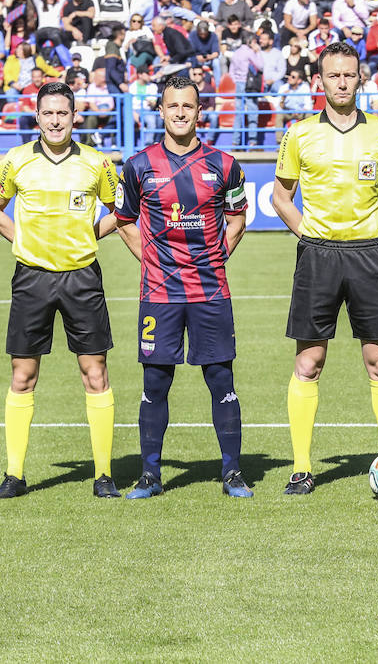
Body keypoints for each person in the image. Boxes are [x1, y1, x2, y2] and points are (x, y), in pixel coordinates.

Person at [270, 42, 378, 495]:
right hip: (318, 256)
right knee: (309, 362)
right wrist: (307, 233)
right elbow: (280, 196)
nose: (341, 82)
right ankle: (301, 468)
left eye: (349, 75)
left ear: (360, 78)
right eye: (333, 75)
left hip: (370, 255)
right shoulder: (299, 134)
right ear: (319, 81)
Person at [103, 75, 253, 500]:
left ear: (199, 111)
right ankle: (150, 475)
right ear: (161, 110)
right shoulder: (138, 166)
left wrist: (215, 259)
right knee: (155, 384)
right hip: (160, 294)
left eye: (188, 105)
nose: (181, 113)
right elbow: (124, 221)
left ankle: (232, 472)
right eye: (173, 105)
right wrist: (152, 262)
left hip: (210, 292)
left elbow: (238, 219)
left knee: (221, 381)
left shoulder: (225, 165)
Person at [0, 81, 122, 500]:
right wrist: (22, 240)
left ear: (75, 116)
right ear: (37, 117)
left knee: (95, 372)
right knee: (22, 375)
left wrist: (89, 235)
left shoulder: (98, 163)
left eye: (63, 113)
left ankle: (103, 475)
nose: (56, 121)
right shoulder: (16, 160)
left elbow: (121, 211)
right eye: (48, 113)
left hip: (82, 277)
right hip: (32, 277)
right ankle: (14, 475)